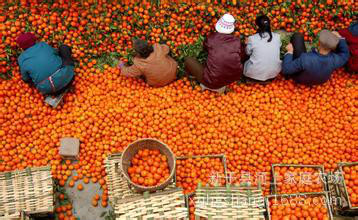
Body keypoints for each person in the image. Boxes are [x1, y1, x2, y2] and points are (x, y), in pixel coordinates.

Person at [184, 14, 245, 92]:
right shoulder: (237, 41)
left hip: (212, 81)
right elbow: (242, 56)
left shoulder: (212, 38)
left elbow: (205, 48)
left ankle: (193, 80)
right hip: (231, 79)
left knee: (188, 60)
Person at [282, 30, 350, 86]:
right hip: (321, 81)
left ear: (319, 43)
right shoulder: (334, 60)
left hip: (300, 79)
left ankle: (288, 77)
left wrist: (289, 52)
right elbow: (345, 54)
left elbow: (286, 69)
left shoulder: (305, 58)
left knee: (297, 36)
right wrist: (340, 38)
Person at [244, 15, 281, 82]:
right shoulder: (277, 37)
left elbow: (248, 52)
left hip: (255, 74)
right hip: (273, 73)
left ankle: (251, 79)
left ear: (257, 26)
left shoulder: (252, 38)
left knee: (246, 62)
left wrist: (246, 44)